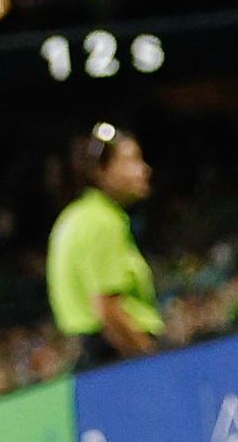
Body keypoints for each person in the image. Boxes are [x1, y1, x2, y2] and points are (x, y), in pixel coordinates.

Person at [45, 122, 161, 365]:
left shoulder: (74, 217)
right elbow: (108, 309)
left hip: (92, 359)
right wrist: (151, 362)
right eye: (131, 161)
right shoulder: (103, 221)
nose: (144, 169)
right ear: (101, 170)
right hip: (115, 356)